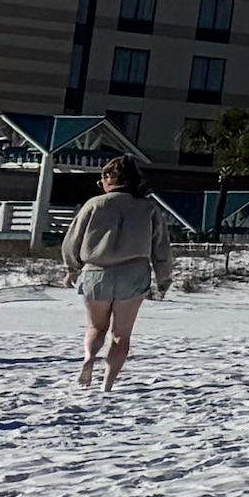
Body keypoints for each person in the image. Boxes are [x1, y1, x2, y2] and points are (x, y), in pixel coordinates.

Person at [58, 158, 176, 391]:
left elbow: (71, 241)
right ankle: (108, 384)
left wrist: (72, 268)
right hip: (133, 274)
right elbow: (161, 247)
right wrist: (164, 278)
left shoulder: (94, 204)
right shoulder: (148, 208)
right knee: (121, 335)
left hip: (96, 272)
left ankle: (89, 358)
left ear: (109, 179)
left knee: (95, 328)